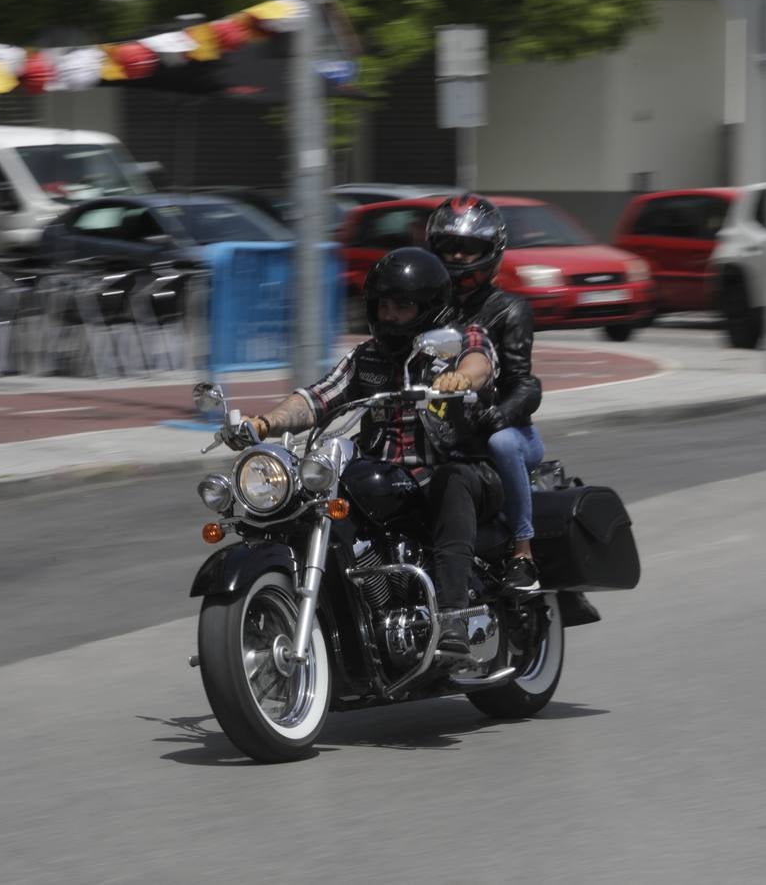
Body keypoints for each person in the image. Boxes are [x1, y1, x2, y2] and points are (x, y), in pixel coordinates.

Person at [233, 247, 502, 655]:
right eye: (382, 304)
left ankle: (452, 619)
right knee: (313, 493)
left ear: (430, 307)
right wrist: (264, 423)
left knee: (453, 481)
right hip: (387, 476)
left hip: (453, 471)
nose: (389, 315)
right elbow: (316, 399)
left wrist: (459, 378)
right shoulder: (367, 357)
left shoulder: (455, 341)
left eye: (402, 305)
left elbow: (479, 360)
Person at [426, 193, 545, 595]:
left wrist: (503, 413)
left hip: (511, 433)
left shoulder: (508, 309)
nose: (458, 256)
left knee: (502, 443)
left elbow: (526, 383)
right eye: (449, 247)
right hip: (445, 427)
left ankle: (522, 552)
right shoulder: (430, 309)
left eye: (470, 248)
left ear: (491, 251)